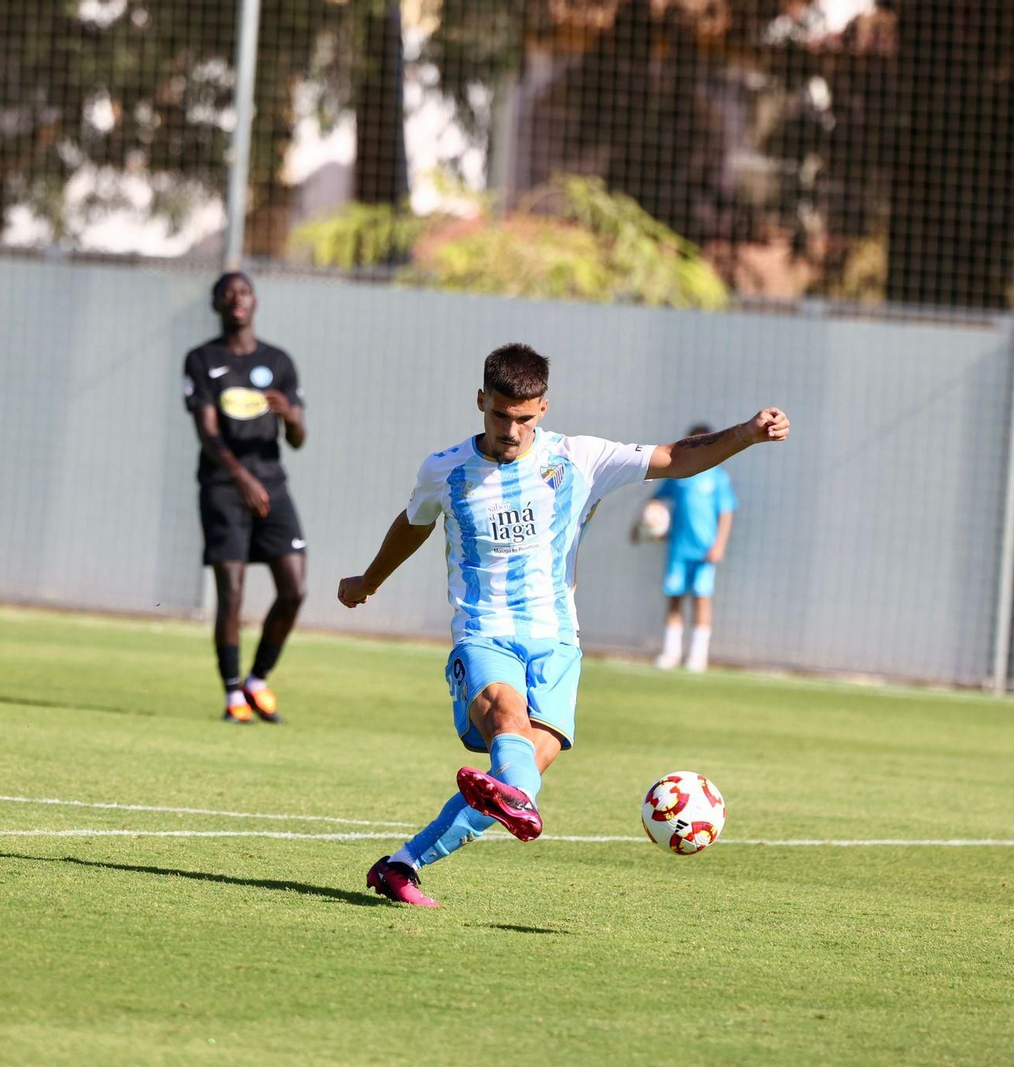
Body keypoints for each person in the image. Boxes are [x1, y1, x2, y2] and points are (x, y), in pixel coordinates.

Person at [338, 344, 788, 906]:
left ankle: (401, 865)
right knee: (508, 725)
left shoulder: (579, 459)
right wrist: (368, 581)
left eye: (524, 418)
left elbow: (675, 457)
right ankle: (513, 800)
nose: (511, 430)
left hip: (556, 641)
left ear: (543, 409)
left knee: (518, 778)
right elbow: (414, 523)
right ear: (481, 401)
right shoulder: (445, 469)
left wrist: (745, 434)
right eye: (500, 414)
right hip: (483, 632)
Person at [182, 272, 308, 724]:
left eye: (244, 291)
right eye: (228, 293)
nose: (236, 298)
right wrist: (241, 479)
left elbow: (298, 439)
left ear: (255, 301)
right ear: (216, 304)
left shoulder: (279, 361)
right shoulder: (203, 359)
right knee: (231, 591)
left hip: (273, 484)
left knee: (294, 589)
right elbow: (207, 433)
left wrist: (289, 415)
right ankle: (233, 693)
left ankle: (257, 680)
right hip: (223, 486)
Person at [641, 422, 737, 671]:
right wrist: (649, 524)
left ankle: (698, 655)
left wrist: (719, 545)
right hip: (678, 548)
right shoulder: (679, 473)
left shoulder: (718, 477)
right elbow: (656, 500)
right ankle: (670, 652)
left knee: (701, 598)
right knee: (675, 598)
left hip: (705, 550)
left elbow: (726, 512)